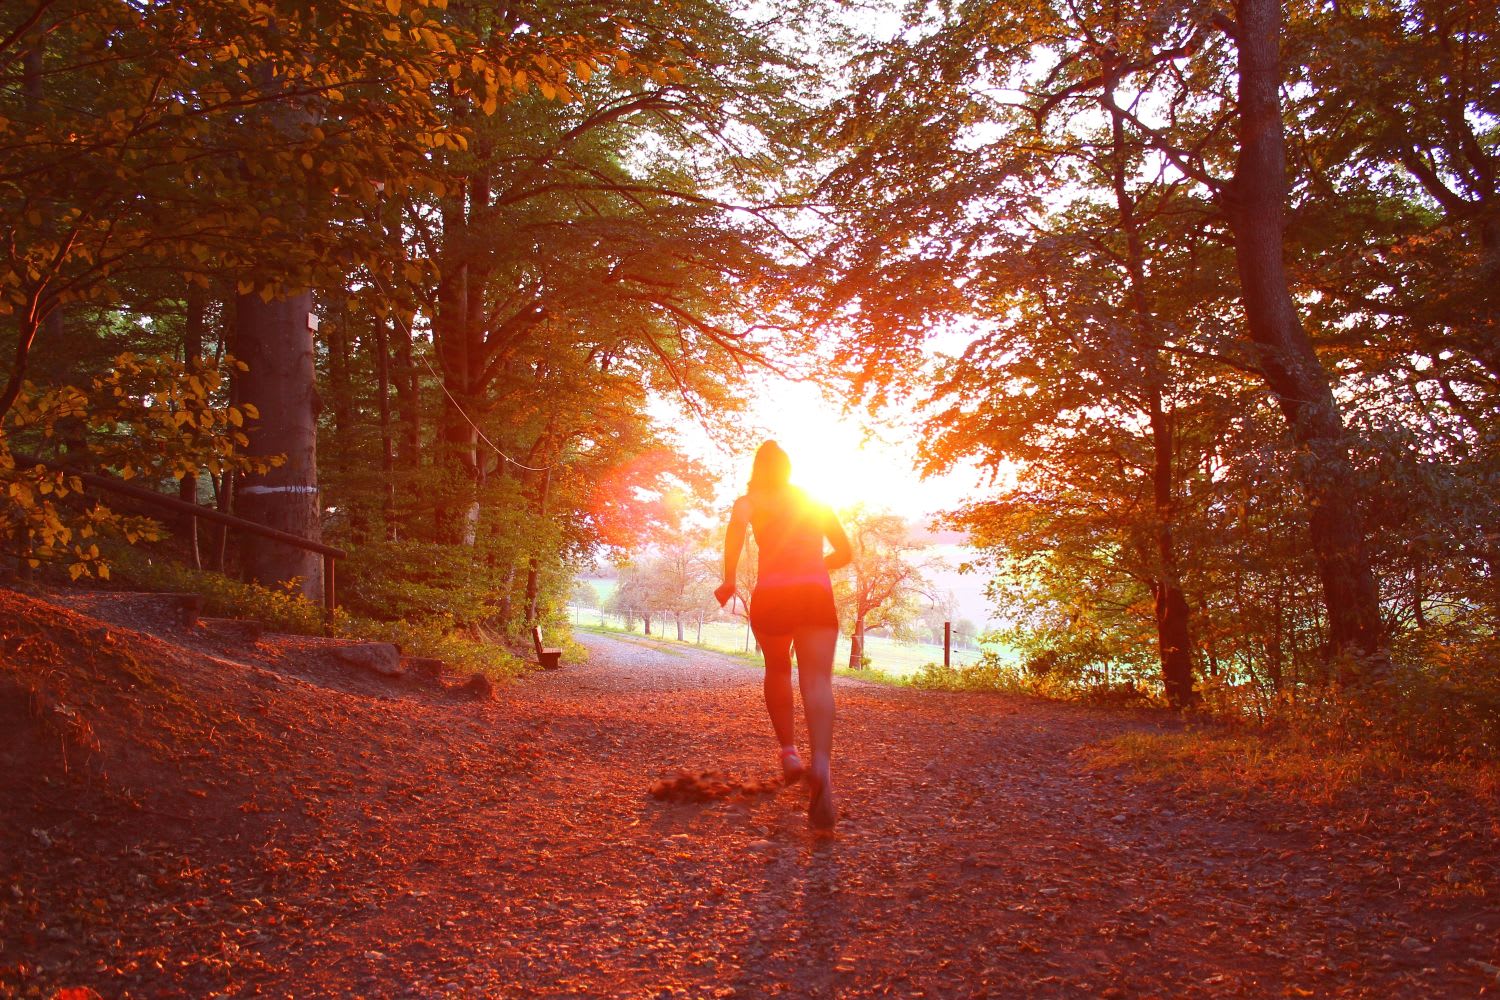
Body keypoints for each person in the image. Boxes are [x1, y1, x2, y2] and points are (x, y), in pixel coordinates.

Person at [715, 441, 852, 829]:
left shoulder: (749, 502)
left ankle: (790, 754)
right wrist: (813, 565)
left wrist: (727, 581)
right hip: (814, 594)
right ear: (789, 470)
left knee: (777, 668)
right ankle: (822, 767)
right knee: (817, 680)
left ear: (758, 469)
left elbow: (734, 539)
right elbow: (845, 552)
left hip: (772, 595)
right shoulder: (814, 501)